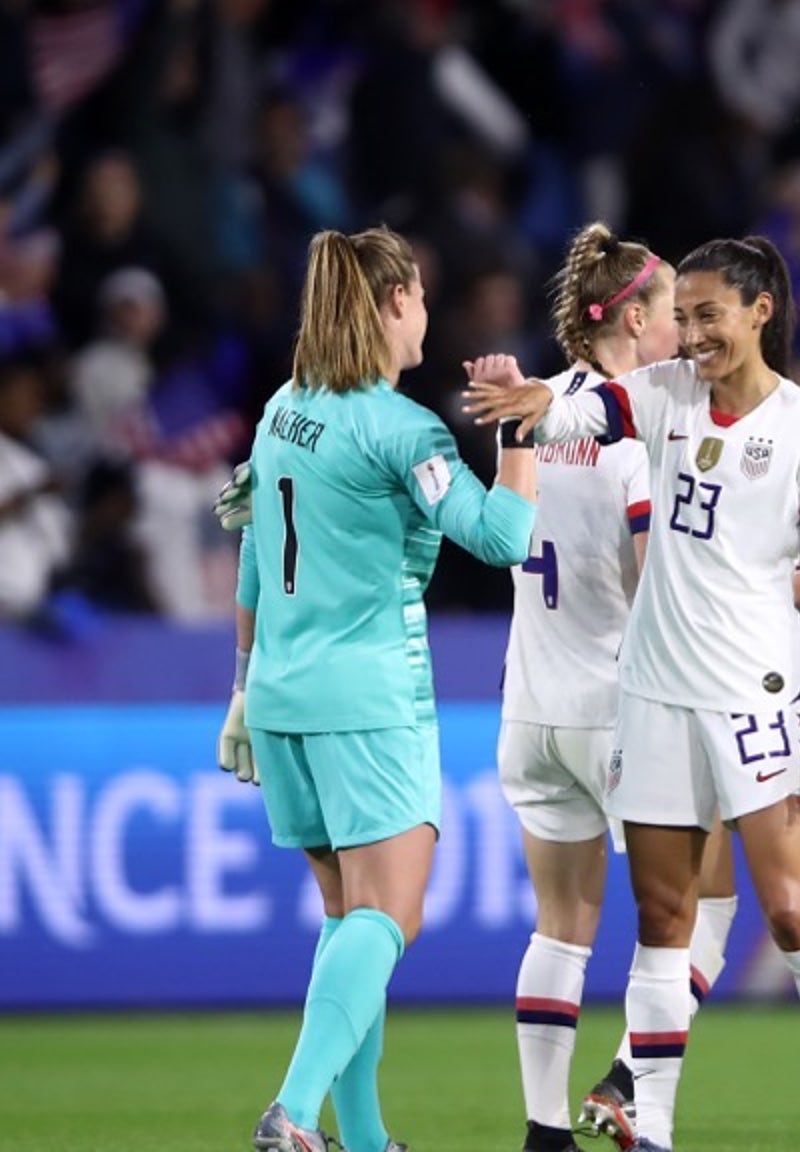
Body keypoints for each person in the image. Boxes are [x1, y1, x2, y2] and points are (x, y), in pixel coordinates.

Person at [462, 235, 800, 1152]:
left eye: (709, 315)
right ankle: (650, 1122)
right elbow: (586, 416)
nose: (692, 335)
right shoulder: (662, 398)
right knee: (664, 918)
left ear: (760, 310)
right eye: (681, 316)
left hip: (758, 696)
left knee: (786, 904)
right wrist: (535, 402)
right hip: (650, 698)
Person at [219, 225, 538, 1152]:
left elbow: (249, 554)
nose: (428, 311)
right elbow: (503, 537)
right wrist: (522, 429)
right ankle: (294, 1111)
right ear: (397, 303)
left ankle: (363, 1141)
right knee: (391, 916)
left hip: (279, 701)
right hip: (368, 700)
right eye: (423, 296)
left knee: (351, 923)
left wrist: (240, 687)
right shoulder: (402, 428)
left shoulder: (284, 408)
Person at [494, 223, 668, 1152]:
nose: (686, 324)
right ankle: (636, 1077)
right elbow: (649, 580)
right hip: (616, 705)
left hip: (529, 701)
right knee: (694, 903)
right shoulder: (636, 426)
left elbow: (505, 536)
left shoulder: (529, 411)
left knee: (561, 925)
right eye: (675, 307)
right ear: (634, 317)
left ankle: (545, 1131)